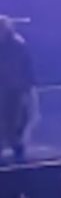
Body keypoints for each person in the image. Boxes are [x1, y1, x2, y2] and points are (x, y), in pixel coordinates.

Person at [0, 16, 35, 161]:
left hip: (15, 89)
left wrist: (27, 87)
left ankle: (17, 146)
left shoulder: (17, 45)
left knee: (17, 119)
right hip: (4, 89)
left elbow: (26, 67)